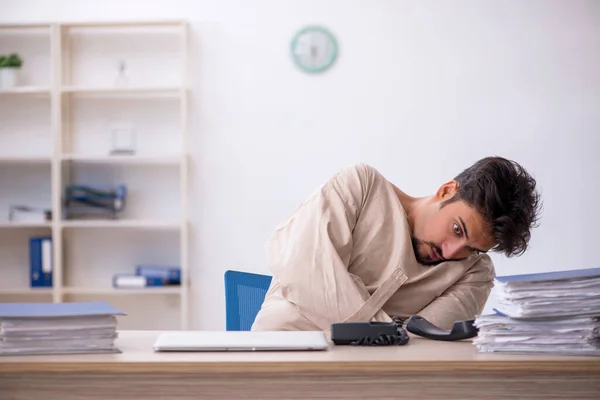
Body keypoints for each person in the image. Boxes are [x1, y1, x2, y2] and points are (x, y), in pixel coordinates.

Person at [251, 157, 542, 332]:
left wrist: (344, 286)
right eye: (457, 229)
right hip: (278, 358)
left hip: (372, 386)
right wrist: (390, 330)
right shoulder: (360, 186)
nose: (453, 252)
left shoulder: (474, 272)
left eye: (472, 248)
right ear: (446, 191)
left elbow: (422, 348)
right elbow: (305, 272)